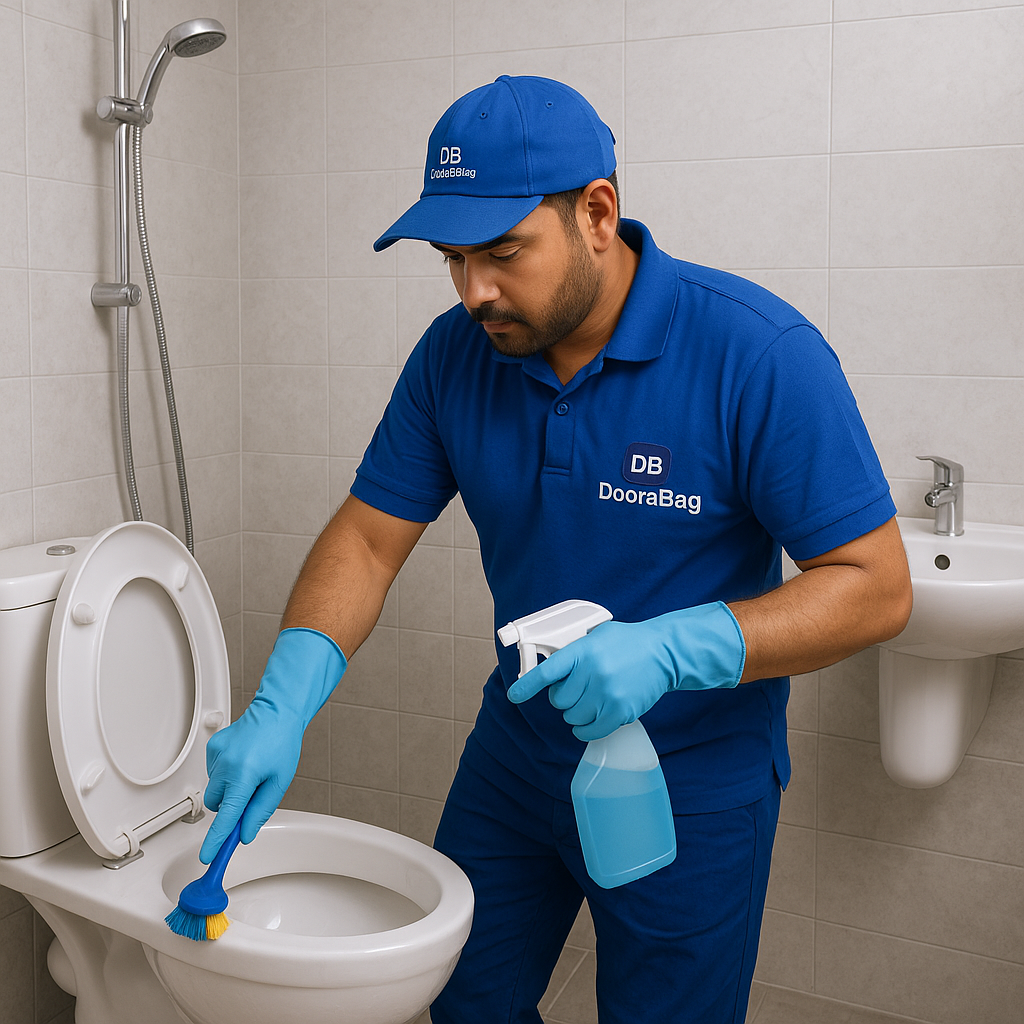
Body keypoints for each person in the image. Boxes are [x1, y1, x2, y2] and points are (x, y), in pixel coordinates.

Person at [201, 76, 912, 1022]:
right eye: (452, 259)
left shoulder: (757, 354)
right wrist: (282, 702)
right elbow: (369, 542)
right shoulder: (455, 356)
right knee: (461, 1002)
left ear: (597, 213)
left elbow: (875, 587)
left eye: (502, 253)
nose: (474, 290)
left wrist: (671, 649)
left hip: (690, 780)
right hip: (517, 756)